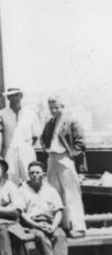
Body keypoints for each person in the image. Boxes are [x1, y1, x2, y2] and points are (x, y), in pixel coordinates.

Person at [40, 95, 87, 237]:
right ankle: (64, 226)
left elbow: (80, 142)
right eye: (51, 108)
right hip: (52, 158)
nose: (54, 110)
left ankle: (78, 228)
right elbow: (42, 138)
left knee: (71, 194)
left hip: (65, 159)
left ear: (63, 107)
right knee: (55, 193)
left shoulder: (71, 121)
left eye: (57, 107)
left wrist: (71, 154)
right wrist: (46, 149)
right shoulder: (50, 122)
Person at [18, 161, 69, 255]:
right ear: (28, 174)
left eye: (37, 172)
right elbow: (21, 213)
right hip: (32, 223)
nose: (35, 175)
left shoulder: (50, 190)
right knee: (41, 236)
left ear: (43, 174)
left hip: (50, 222)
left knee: (60, 235)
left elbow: (59, 210)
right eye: (32, 173)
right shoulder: (22, 190)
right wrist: (36, 225)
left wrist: (53, 226)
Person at [0, 88, 40, 185]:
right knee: (10, 180)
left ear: (21, 96)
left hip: (26, 152)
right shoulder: (1, 114)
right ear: (8, 97)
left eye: (16, 95)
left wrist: (25, 146)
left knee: (30, 178)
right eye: (11, 96)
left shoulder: (30, 114)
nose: (14, 98)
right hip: (9, 153)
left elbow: (35, 136)